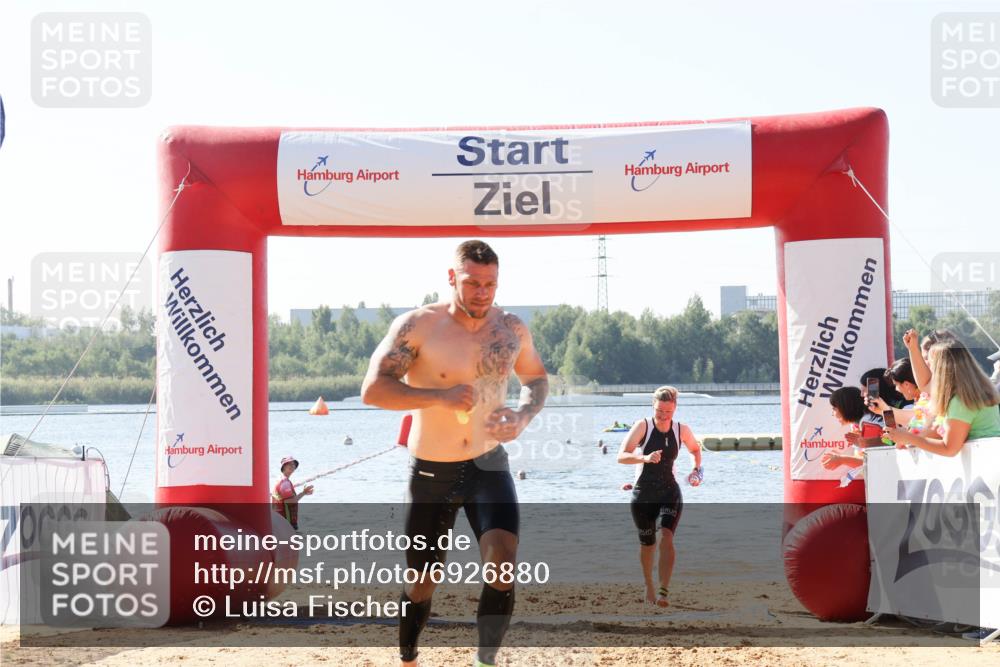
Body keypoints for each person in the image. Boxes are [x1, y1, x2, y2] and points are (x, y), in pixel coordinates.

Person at [361, 240, 549, 667]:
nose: (482, 292)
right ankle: (408, 655)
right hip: (432, 469)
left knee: (502, 564)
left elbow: (536, 379)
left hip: (488, 464)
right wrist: (438, 395)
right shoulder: (418, 326)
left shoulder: (511, 328)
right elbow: (372, 390)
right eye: (472, 283)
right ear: (451, 278)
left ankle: (486, 661)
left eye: (490, 284)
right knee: (422, 582)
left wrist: (522, 415)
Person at [616, 386, 702, 608]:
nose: (663, 416)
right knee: (648, 544)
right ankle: (649, 585)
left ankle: (663, 591)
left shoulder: (681, 430)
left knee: (666, 537)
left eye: (668, 412)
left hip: (669, 491)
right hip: (643, 492)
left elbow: (695, 449)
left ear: (675, 409)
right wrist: (644, 458)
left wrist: (696, 469)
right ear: (652, 407)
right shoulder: (642, 426)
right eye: (659, 411)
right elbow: (622, 456)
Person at [886, 339, 1000, 456]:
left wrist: (908, 438)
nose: (928, 369)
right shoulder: (971, 393)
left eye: (930, 364)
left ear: (942, 369)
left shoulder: (961, 400)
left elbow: (949, 449)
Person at [821, 387, 866, 472]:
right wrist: (840, 459)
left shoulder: (869, 423)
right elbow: (862, 462)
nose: (832, 414)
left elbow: (873, 461)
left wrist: (842, 459)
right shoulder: (855, 425)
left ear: (846, 407)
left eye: (834, 409)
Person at [271, 456, 313, 530]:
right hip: (285, 523)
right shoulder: (284, 482)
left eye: (293, 464)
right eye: (289, 464)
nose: (292, 466)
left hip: (279, 521)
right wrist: (303, 493)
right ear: (283, 467)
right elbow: (290, 502)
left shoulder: (281, 480)